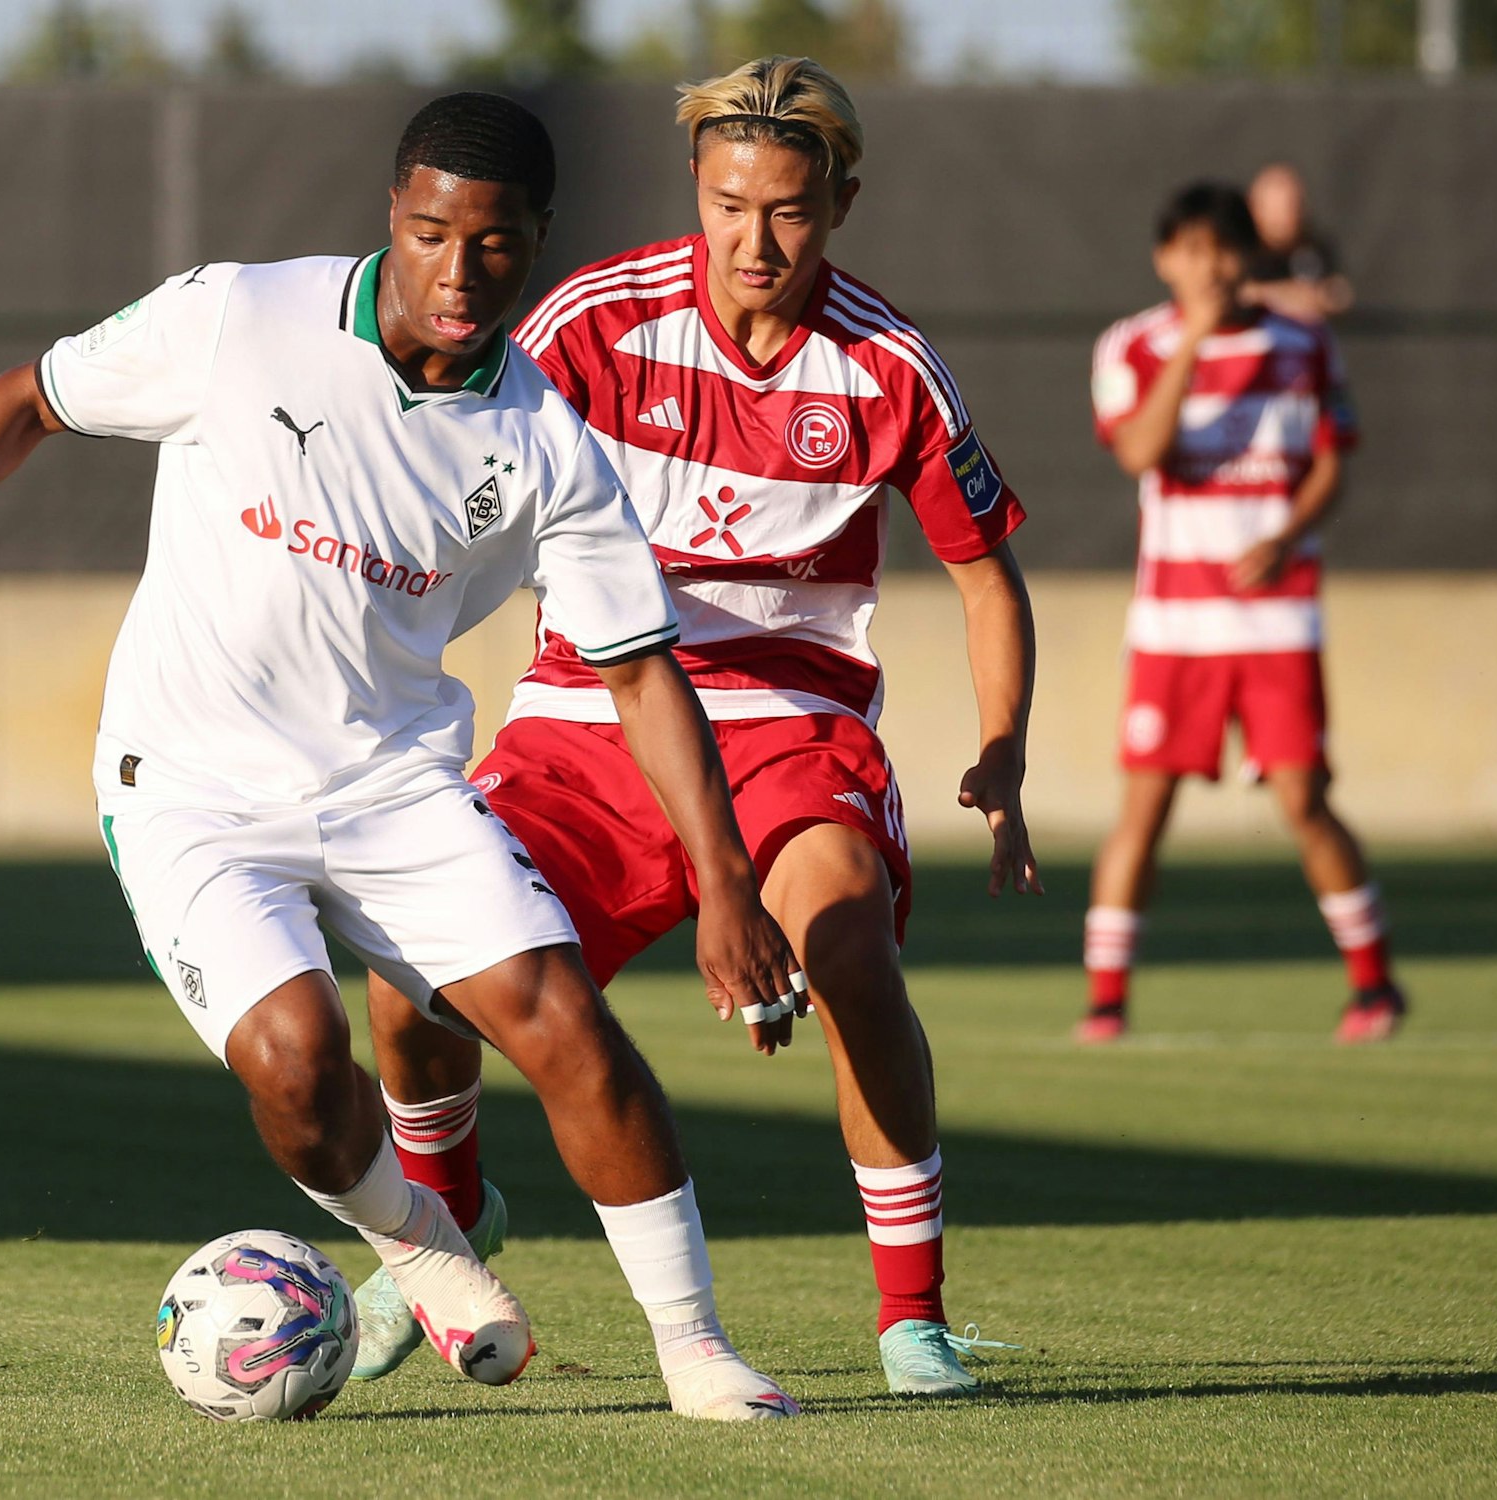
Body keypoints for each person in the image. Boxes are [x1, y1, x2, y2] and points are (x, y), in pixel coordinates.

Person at [0, 93, 809, 1423]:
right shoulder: (238, 316)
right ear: (394, 215)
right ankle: (429, 1253)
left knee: (571, 1031)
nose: (459, 270)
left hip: (390, 785)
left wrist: (725, 881)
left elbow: (636, 668)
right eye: (434, 233)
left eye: (495, 244)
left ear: (535, 243)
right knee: (295, 1059)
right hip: (192, 786)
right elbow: (27, 402)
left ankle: (697, 1350)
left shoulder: (549, 443)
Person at [350, 56, 1039, 1399]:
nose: (754, 240)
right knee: (402, 981)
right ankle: (444, 1241)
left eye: (786, 209)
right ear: (696, 191)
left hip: (793, 724)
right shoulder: (594, 324)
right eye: (729, 204)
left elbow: (985, 575)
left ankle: (913, 1321)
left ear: (839, 201)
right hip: (587, 716)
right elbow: (447, 470)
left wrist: (1003, 753)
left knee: (847, 946)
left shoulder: (890, 365)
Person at [1082, 180, 1404, 1047]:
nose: (1210, 267)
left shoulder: (1304, 342)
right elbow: (1141, 451)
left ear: (1248, 255)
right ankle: (1106, 1003)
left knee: (1305, 798)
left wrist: (1288, 534)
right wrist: (1191, 341)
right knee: (1144, 809)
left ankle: (1375, 987)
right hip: (1175, 624)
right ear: (1165, 260)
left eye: (1224, 250)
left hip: (1276, 618)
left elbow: (1332, 462)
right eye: (1191, 251)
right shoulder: (1132, 346)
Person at [1243, 162, 1353, 324]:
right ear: (1255, 209)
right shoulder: (1242, 251)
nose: (1288, 217)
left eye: (1294, 206)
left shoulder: (1312, 246)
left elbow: (1340, 294)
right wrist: (1280, 295)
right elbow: (1241, 294)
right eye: (1278, 210)